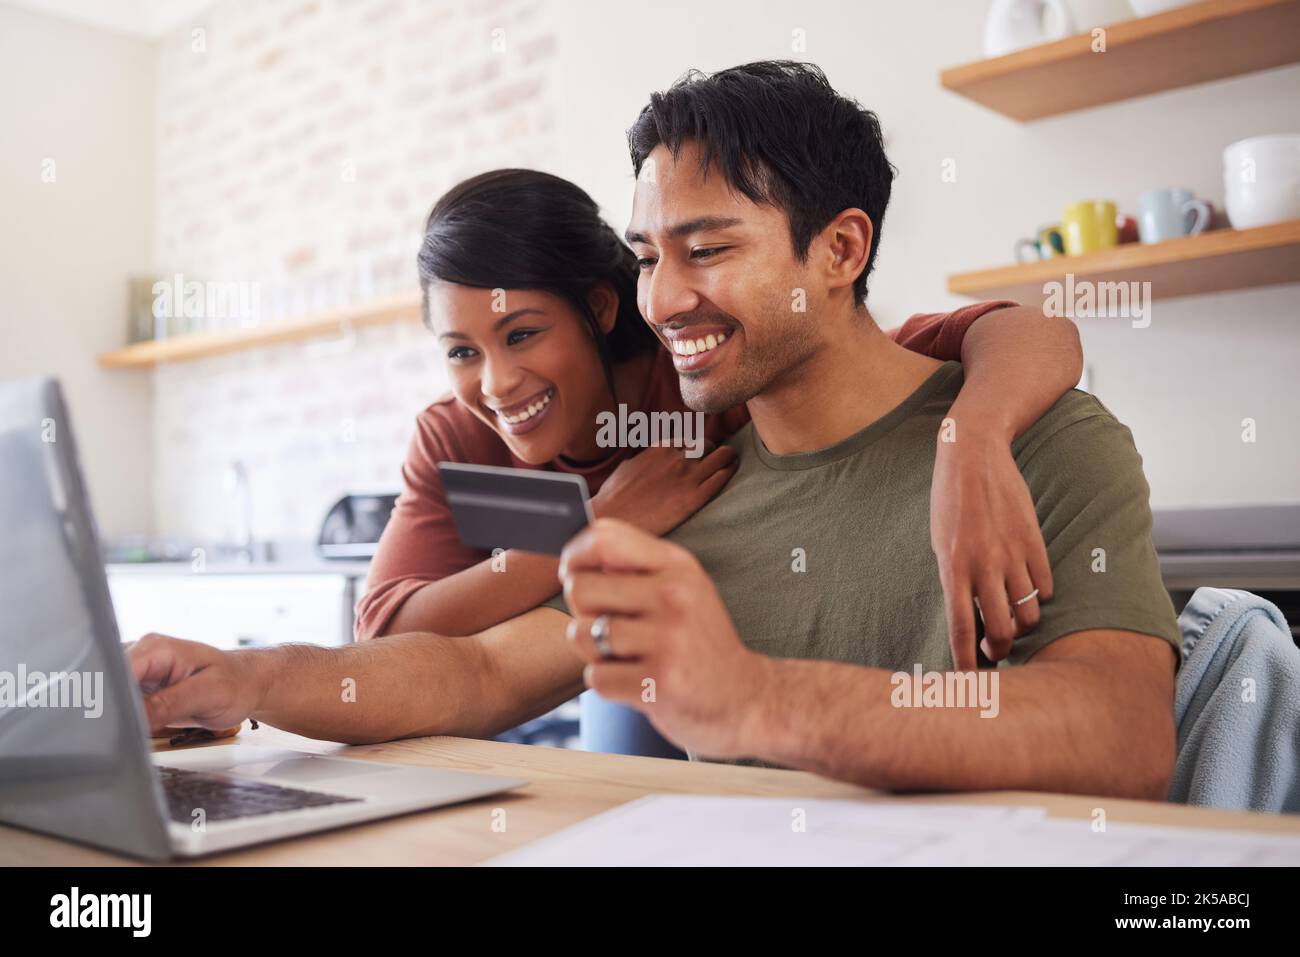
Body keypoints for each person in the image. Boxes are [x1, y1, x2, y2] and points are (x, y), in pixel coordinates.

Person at [129, 61, 1179, 800]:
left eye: (706, 249)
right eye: (645, 256)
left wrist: (757, 700)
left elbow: (1124, 737)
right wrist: (249, 681)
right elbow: (478, 673)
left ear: (839, 250)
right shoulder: (688, 478)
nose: (663, 298)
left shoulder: (1042, 439)